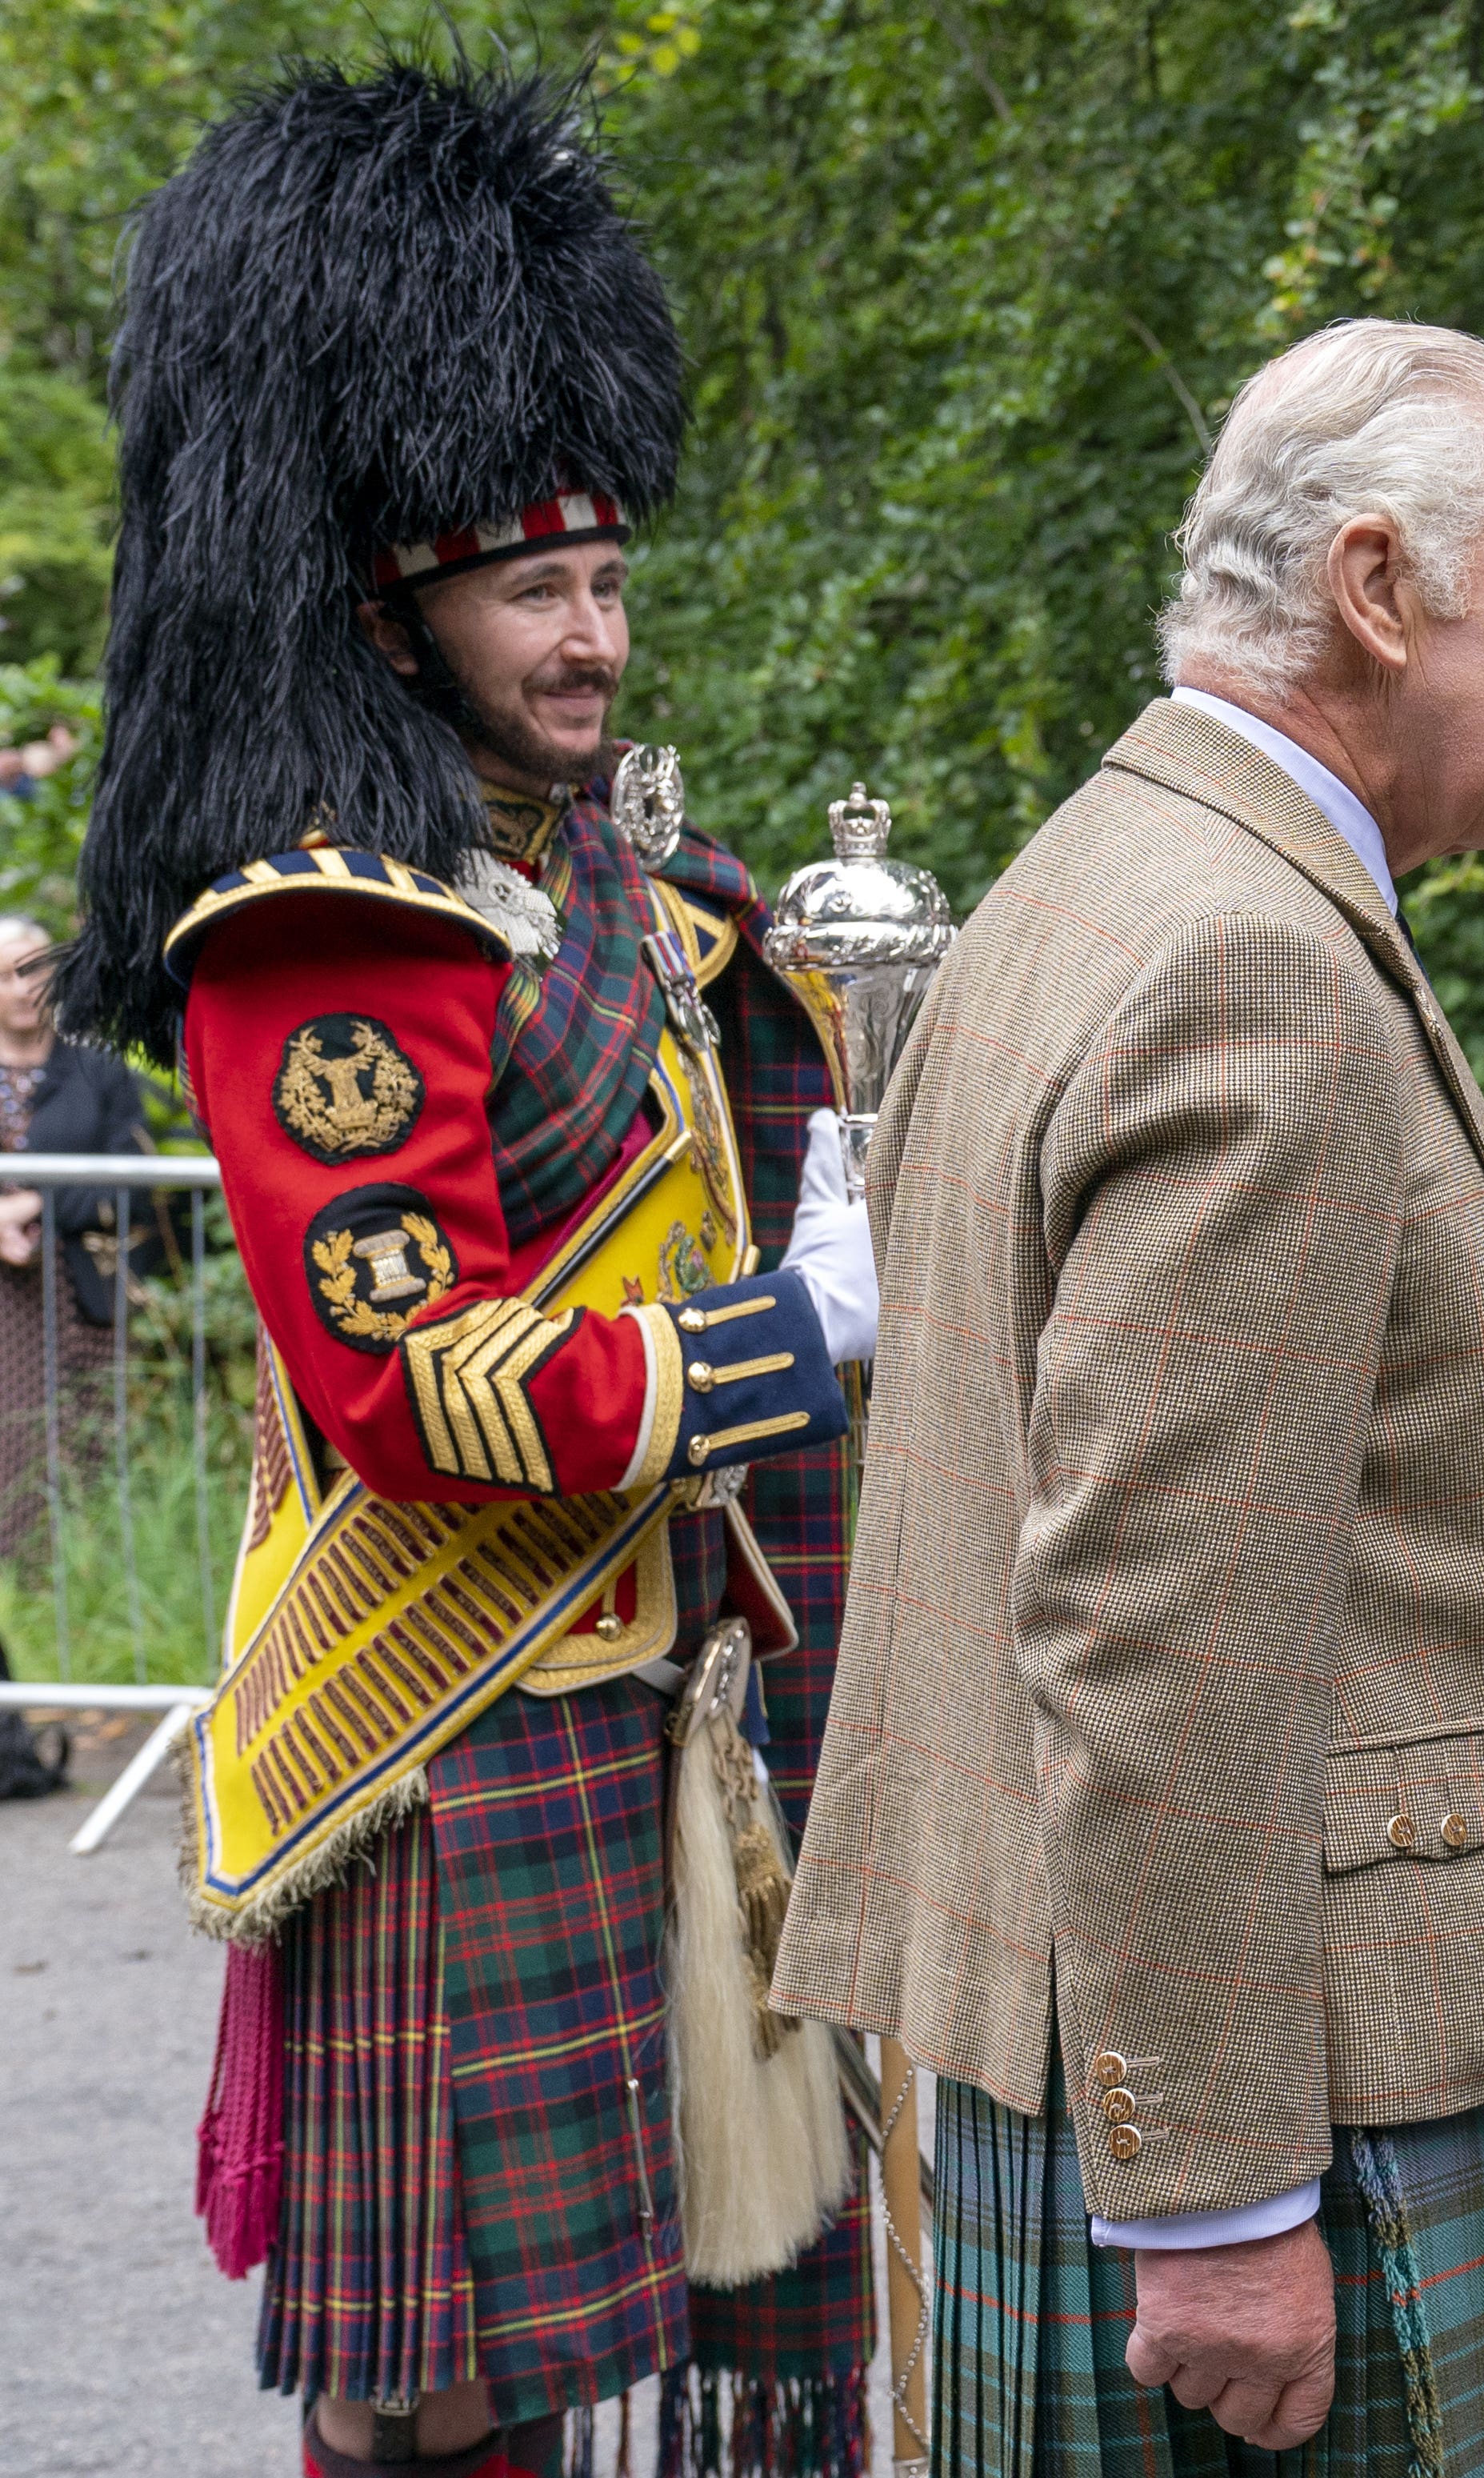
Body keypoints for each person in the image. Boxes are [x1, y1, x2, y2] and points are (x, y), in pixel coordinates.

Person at [71, 66, 877, 2476]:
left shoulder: (624, 874)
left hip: (662, 1690)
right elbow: (420, 1388)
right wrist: (781, 1341)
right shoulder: (318, 940)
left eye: (612, 577)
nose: (595, 632)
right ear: (393, 610)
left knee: (710, 2335)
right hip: (445, 1720)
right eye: (537, 584)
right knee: (441, 2399)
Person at [773, 320, 1484, 2478]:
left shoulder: (1106, 869)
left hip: (1128, 2055)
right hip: (1270, 2121)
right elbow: (1153, 1623)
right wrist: (1219, 2194)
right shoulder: (1244, 953)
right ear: (1376, 592)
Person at [0, 911, 159, 1561]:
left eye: (35, 968)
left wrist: (40, 1200)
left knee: (85, 1438)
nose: (22, 986)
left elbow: (134, 1177)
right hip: (6, 1299)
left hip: (80, 1297)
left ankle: (82, 1582)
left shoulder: (99, 1073)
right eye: (7, 973)